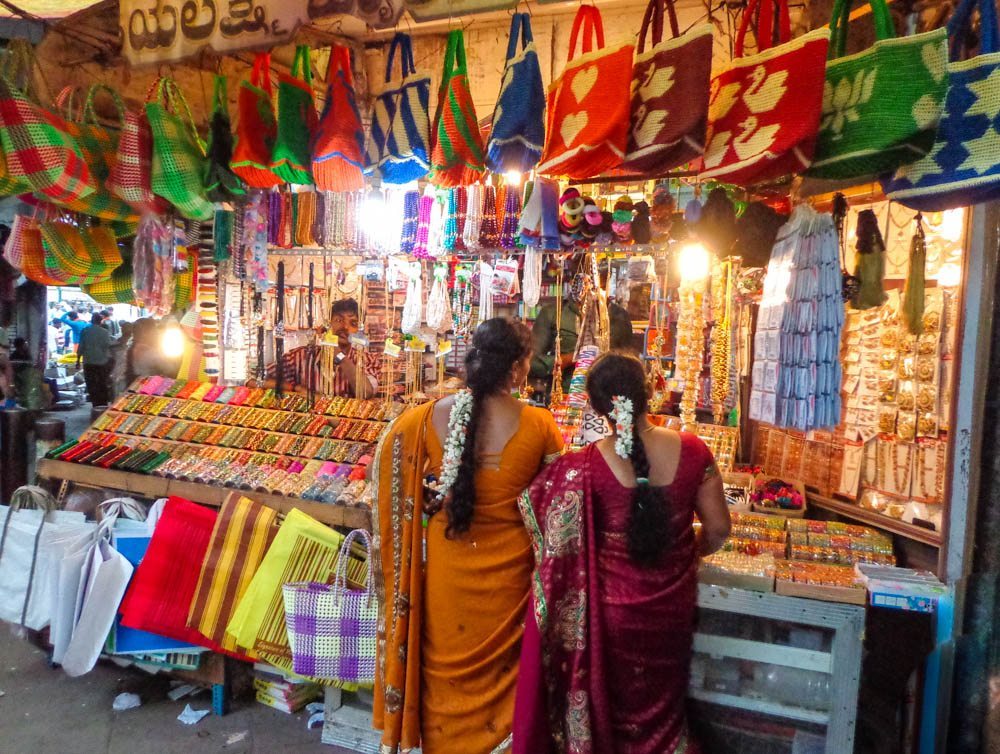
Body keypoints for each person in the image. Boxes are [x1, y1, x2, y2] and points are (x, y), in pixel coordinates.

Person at [513, 352, 731, 754]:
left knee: (611, 712)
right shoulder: (694, 450)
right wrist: (684, 555)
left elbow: (545, 519)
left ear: (598, 408)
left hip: (610, 617)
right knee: (666, 713)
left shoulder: (586, 465)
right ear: (648, 393)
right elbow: (718, 529)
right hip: (672, 611)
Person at [371, 318, 564, 754]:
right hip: (509, 587)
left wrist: (427, 500)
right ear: (517, 368)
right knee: (508, 691)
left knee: (445, 683)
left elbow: (388, 466)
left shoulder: (423, 419)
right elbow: (562, 506)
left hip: (446, 581)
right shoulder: (540, 425)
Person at [529, 288, 634, 397]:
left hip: (606, 397)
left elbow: (628, 366)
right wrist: (571, 358)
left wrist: (603, 359)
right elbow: (532, 362)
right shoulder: (554, 313)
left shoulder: (618, 316)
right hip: (563, 396)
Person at [78, 313, 115, 406]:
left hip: (89, 362)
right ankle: (103, 403)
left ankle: (95, 403)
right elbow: (107, 346)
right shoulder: (104, 332)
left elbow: (81, 347)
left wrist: (77, 361)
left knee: (91, 384)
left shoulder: (85, 331)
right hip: (102, 362)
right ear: (100, 321)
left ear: (92, 320)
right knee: (102, 383)